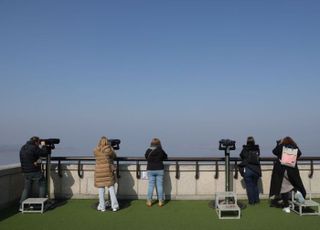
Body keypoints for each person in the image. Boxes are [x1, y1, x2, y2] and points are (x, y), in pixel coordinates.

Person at [269, 136, 306, 213]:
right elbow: (299, 153)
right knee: (293, 183)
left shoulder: (281, 146)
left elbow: (274, 151)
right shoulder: (294, 147)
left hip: (282, 170)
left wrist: (279, 144)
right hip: (292, 169)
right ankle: (297, 192)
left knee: (284, 188)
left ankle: (286, 207)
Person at [19, 136, 49, 210]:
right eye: (38, 142)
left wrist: (36, 160)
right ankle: (41, 204)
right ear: (36, 142)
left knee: (26, 188)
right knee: (42, 184)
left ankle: (21, 206)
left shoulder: (23, 147)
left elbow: (28, 157)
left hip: (25, 171)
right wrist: (43, 146)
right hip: (34, 170)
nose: (38, 144)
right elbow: (44, 153)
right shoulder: (34, 147)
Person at [94, 136, 119, 212]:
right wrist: (111, 147)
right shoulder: (109, 150)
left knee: (101, 190)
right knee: (111, 188)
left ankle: (102, 207)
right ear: (107, 142)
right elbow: (114, 156)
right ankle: (114, 206)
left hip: (99, 171)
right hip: (107, 171)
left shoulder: (95, 150)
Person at [145, 138, 168, 207]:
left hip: (150, 169)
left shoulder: (148, 150)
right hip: (159, 169)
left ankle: (149, 201)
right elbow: (165, 157)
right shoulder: (160, 150)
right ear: (159, 144)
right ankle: (160, 201)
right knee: (159, 185)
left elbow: (146, 157)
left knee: (151, 185)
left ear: (151, 143)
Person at [239, 136, 261, 205]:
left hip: (248, 169)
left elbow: (241, 155)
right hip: (256, 170)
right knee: (255, 185)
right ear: (254, 141)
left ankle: (251, 202)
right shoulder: (257, 149)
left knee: (249, 186)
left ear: (247, 142)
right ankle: (256, 200)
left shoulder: (245, 149)